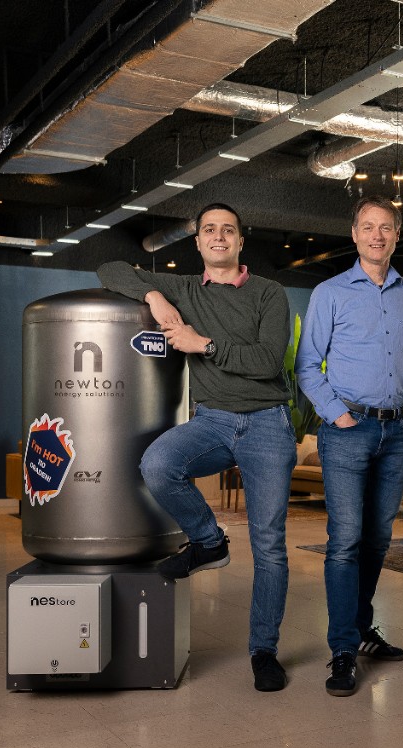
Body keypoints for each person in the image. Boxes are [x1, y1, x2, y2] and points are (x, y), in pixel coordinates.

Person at [97, 202, 296, 693]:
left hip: (268, 424)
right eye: (210, 230)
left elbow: (269, 360)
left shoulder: (268, 293)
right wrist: (155, 297)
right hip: (212, 422)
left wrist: (202, 344)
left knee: (269, 546)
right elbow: (108, 267)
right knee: (159, 463)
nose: (219, 237)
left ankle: (264, 651)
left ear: (240, 241)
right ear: (199, 242)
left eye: (229, 230)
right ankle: (209, 541)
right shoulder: (184, 288)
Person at [296, 196, 403, 697]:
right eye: (368, 227)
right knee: (345, 541)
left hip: (397, 432)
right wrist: (335, 412)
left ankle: (362, 629)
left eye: (386, 228)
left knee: (377, 541)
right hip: (348, 430)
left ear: (396, 234)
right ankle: (342, 650)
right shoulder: (330, 292)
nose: (377, 236)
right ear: (354, 234)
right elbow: (307, 365)